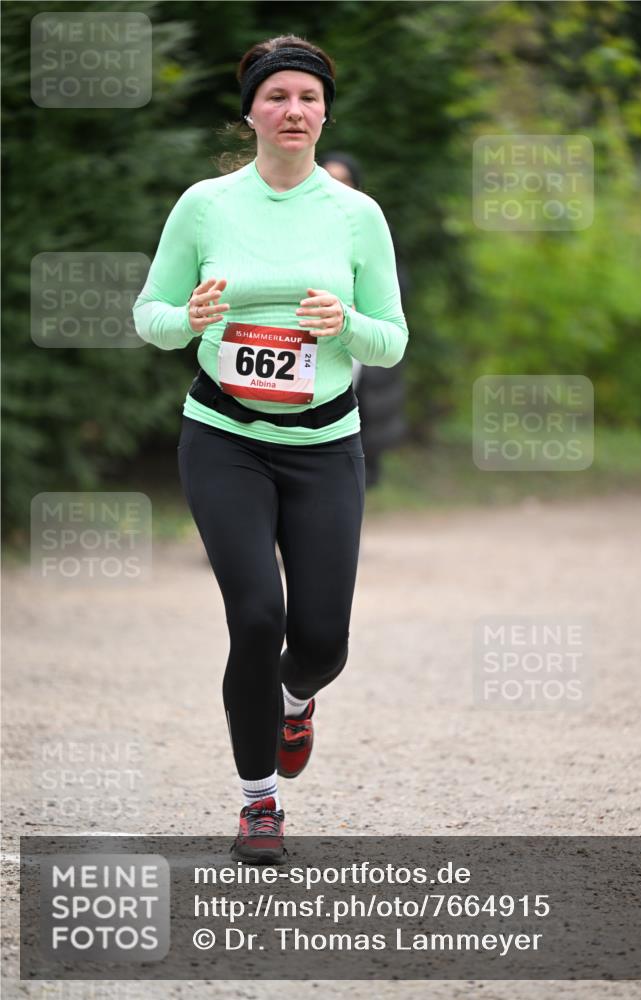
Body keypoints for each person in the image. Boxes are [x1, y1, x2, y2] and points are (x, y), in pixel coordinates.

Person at [132, 34, 408, 864]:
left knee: (321, 640)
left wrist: (345, 326)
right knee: (256, 617)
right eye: (277, 96)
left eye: (308, 98)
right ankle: (259, 802)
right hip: (224, 438)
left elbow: (390, 340)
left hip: (325, 445)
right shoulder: (207, 205)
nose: (294, 110)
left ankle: (295, 699)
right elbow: (151, 314)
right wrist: (193, 320)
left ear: (325, 112)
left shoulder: (356, 216)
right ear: (251, 110)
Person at [318, 151, 410, 487]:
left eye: (344, 180)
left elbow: (396, 289)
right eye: (328, 177)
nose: (336, 187)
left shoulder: (373, 226)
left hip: (359, 339)